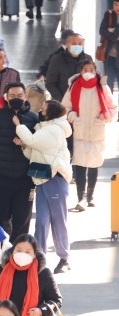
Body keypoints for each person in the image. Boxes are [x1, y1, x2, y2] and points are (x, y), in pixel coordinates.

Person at [14, 100, 73, 274]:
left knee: (58, 220)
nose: (41, 110)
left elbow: (32, 140)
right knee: (41, 221)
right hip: (42, 179)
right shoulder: (45, 128)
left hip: (55, 179)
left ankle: (64, 258)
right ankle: (40, 257)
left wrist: (18, 125)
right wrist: (23, 145)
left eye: (44, 108)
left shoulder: (54, 129)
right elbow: (34, 151)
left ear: (51, 112)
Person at [0, 82, 39, 240]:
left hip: (25, 180)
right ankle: (0, 251)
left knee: (22, 221)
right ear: (6, 97)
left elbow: (40, 146)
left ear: (25, 96)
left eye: (19, 95)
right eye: (12, 96)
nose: (16, 98)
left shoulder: (34, 118)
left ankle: (19, 251)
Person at [63, 59, 117, 211]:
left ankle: (90, 196)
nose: (88, 72)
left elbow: (112, 106)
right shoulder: (74, 86)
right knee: (80, 165)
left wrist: (103, 118)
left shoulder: (102, 86)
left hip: (96, 131)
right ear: (80, 71)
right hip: (79, 130)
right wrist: (73, 117)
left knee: (94, 164)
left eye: (91, 69)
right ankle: (81, 197)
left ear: (95, 70)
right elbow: (65, 107)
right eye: (85, 69)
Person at [46, 33, 92, 102]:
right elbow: (50, 83)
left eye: (80, 44)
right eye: (74, 43)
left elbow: (93, 79)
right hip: (62, 101)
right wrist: (62, 100)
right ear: (67, 44)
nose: (77, 46)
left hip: (83, 102)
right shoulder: (57, 59)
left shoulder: (87, 59)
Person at [99, 2, 119, 91]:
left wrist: (113, 30)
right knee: (109, 83)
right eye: (116, 4)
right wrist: (115, 36)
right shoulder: (109, 14)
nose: (117, 7)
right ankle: (110, 100)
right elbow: (102, 30)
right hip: (109, 56)